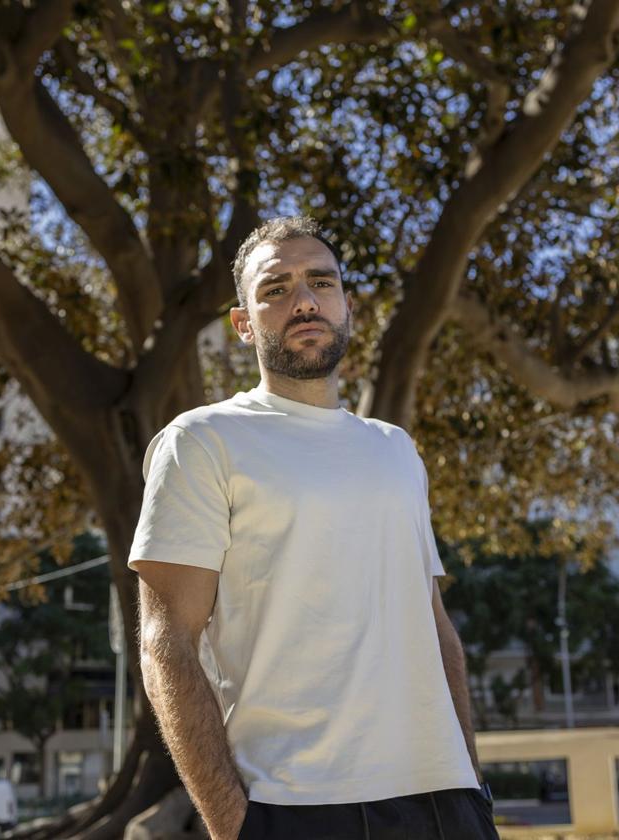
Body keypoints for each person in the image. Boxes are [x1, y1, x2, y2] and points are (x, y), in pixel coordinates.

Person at [129, 216, 499, 840]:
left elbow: (434, 626)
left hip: (446, 802)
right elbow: (167, 642)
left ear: (346, 306)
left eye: (320, 283)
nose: (303, 301)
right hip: (294, 804)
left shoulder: (396, 449)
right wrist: (232, 825)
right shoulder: (202, 441)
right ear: (244, 323)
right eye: (276, 289)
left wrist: (473, 779)